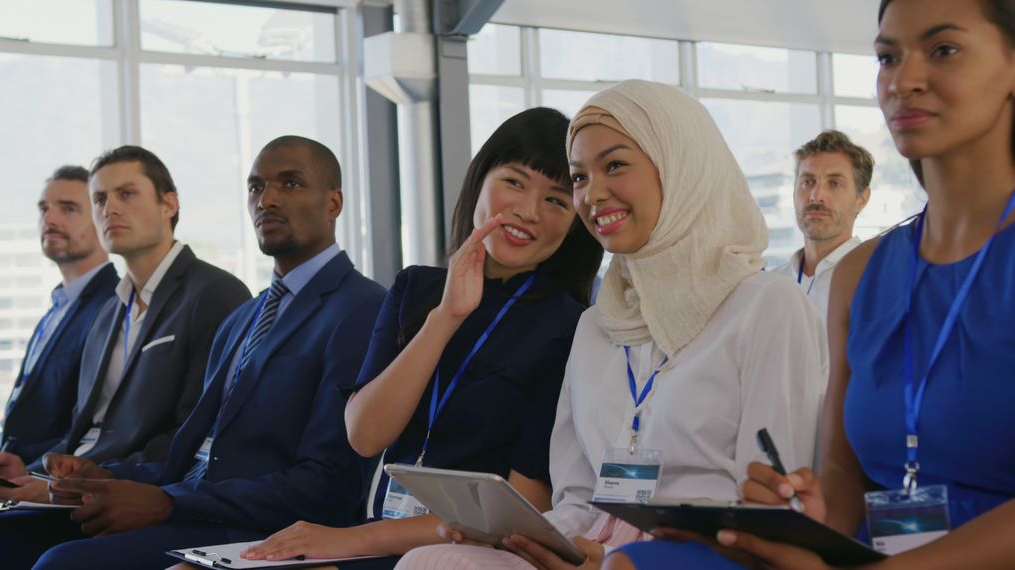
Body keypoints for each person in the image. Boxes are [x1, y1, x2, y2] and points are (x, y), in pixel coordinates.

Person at [609, 0, 1015, 567]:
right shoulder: (862, 272)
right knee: (638, 562)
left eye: (943, 50)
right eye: (887, 57)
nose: (904, 80)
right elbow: (844, 474)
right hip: (873, 551)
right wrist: (798, 520)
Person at [395, 80, 827, 569]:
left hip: (704, 555)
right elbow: (577, 500)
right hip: (595, 555)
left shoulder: (766, 306)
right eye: (580, 176)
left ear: (680, 166)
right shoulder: (597, 326)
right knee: (435, 561)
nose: (592, 194)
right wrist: (523, 539)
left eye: (615, 166)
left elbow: (771, 508)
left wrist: (617, 557)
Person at [0, 136, 386, 569]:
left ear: (333, 202)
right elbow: (189, 455)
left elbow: (330, 484)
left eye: (290, 183)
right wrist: (103, 478)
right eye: (255, 187)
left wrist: (169, 502)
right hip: (190, 503)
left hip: (256, 526)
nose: (266, 199)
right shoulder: (243, 319)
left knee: (60, 563)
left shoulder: (362, 308)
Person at [202, 108, 602, 570]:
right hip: (372, 533)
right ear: (480, 179)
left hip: (453, 553)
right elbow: (366, 435)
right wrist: (445, 318)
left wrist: (349, 540)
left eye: (556, 201)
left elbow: (516, 511)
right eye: (514, 182)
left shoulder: (568, 327)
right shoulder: (417, 287)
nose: (528, 211)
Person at [0, 146, 251, 505]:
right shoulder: (108, 312)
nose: (109, 209)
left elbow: (195, 436)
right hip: (76, 482)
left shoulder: (214, 292)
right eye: (99, 199)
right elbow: (87, 434)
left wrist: (84, 484)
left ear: (169, 204)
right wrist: (30, 469)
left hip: (130, 494)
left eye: (126, 194)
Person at [0, 166, 118, 524]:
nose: (49, 218)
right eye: (43, 208)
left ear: (101, 217)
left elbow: (90, 430)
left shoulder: (111, 307)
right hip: (7, 467)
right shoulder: (57, 307)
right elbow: (27, 424)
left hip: (42, 481)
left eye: (68, 208)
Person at [770, 130, 873, 319]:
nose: (816, 196)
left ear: (862, 199)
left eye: (834, 183)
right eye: (808, 182)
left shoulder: (876, 279)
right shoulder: (772, 285)